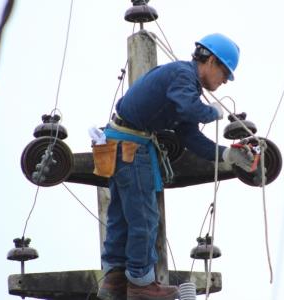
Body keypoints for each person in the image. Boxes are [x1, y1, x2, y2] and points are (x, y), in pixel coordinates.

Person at [97, 33, 254, 300]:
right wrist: (212, 112)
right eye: (225, 73)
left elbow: (190, 136)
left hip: (122, 146)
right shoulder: (183, 75)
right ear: (212, 61)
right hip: (131, 149)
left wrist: (228, 155)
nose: (225, 81)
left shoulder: (184, 84)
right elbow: (190, 108)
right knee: (145, 218)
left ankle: (114, 281)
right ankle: (141, 284)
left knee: (125, 216)